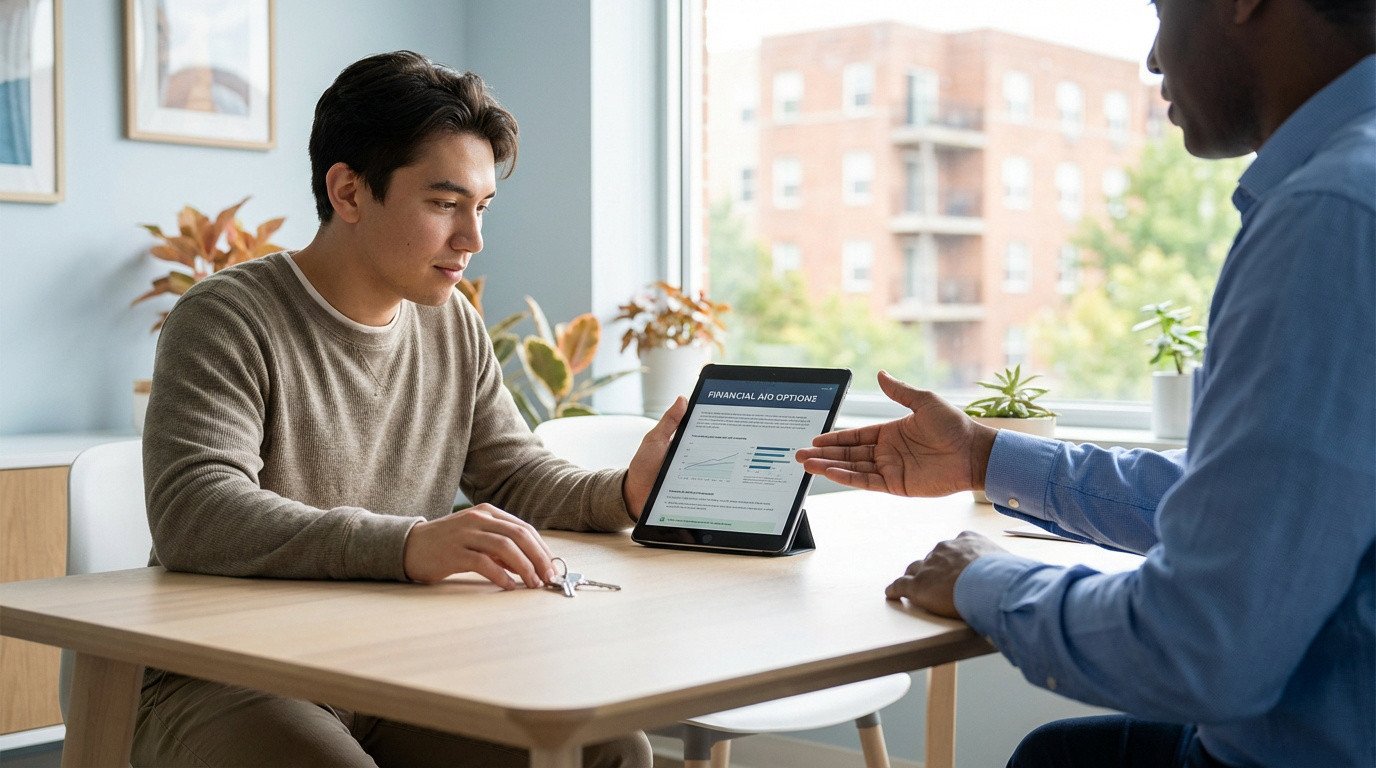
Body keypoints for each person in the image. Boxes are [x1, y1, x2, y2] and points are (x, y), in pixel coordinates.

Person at [797, 1, 1374, 766]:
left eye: (1163, 10)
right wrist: (982, 457)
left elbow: (1200, 647)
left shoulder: (1330, 217)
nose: (1155, 61)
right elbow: (1255, 507)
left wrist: (989, 580)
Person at [137, 51, 680, 768]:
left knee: (607, 751)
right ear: (350, 192)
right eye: (444, 204)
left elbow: (512, 473)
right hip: (225, 673)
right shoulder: (228, 317)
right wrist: (406, 545)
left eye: (481, 208)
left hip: (391, 664)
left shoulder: (451, 321)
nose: (473, 240)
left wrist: (623, 493)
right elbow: (196, 513)